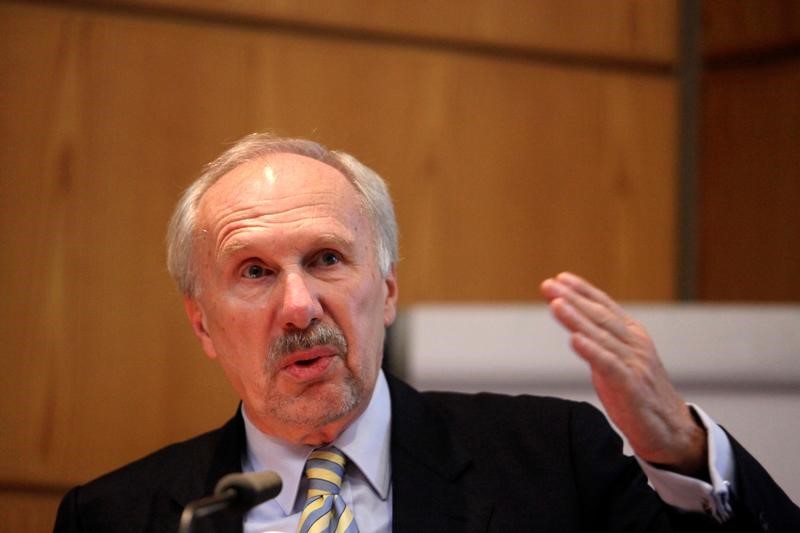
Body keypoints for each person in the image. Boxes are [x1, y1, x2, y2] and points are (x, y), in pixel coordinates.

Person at [55, 133, 799, 532]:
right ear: (202, 323)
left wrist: (682, 448)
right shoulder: (120, 515)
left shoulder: (554, 463)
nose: (299, 306)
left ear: (386, 290)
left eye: (327, 259)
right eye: (253, 271)